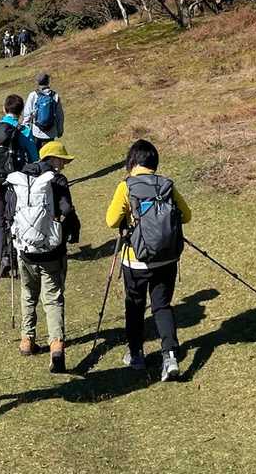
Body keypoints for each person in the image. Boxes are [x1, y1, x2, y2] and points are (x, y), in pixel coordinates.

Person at [105, 138, 191, 382]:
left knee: (135, 306)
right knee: (162, 306)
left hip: (135, 260)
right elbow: (186, 216)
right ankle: (170, 356)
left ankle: (136, 355)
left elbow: (111, 221)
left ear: (131, 162)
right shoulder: (166, 184)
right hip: (167, 258)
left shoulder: (126, 186)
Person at [4, 139, 81, 372]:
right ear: (53, 160)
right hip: (52, 251)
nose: (64, 165)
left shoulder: (21, 179)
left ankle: (27, 340)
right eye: (62, 161)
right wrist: (70, 230)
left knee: (28, 293)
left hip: (25, 250)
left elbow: (9, 213)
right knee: (53, 298)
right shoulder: (57, 180)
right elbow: (66, 210)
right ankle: (56, 347)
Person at [0, 94, 40, 278]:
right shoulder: (23, 131)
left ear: (4, 109)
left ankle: (2, 260)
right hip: (16, 181)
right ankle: (18, 258)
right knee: (15, 218)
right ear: (21, 112)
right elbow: (34, 157)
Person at [24, 72, 64, 144]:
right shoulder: (55, 95)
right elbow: (60, 116)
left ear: (37, 82)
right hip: (51, 133)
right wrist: (60, 130)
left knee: (36, 150)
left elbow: (27, 115)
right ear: (48, 82)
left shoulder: (33, 95)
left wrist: (25, 130)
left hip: (36, 132)